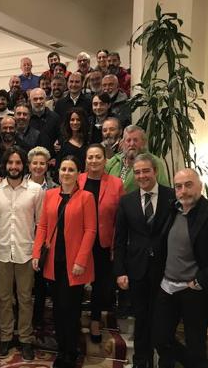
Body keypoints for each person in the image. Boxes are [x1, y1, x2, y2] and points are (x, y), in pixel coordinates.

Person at [153, 168, 208, 368]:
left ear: (200, 186)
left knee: (196, 345)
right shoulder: (171, 212)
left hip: (194, 292)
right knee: (159, 338)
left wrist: (200, 280)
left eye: (188, 185)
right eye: (178, 186)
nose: (183, 191)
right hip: (167, 288)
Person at [32, 156, 96, 368]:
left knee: (71, 309)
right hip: (53, 262)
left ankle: (71, 351)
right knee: (58, 308)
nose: (66, 173)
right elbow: (42, 226)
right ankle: (62, 350)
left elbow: (90, 231)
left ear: (78, 173)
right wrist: (35, 254)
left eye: (71, 169)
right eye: (63, 169)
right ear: (58, 172)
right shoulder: (50, 195)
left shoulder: (86, 197)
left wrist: (81, 260)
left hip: (74, 265)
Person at [113, 154, 176, 368]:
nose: (142, 176)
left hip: (166, 269)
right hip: (137, 269)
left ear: (155, 171)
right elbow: (119, 240)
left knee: (163, 318)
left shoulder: (172, 197)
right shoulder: (127, 201)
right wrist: (120, 271)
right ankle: (141, 360)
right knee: (141, 318)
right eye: (137, 172)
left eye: (145, 171)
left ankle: (165, 361)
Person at [0, 147, 45, 361]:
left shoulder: (36, 190)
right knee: (4, 298)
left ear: (24, 165)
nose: (14, 166)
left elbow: (41, 224)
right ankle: (5, 338)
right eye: (10, 162)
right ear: (5, 165)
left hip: (26, 253)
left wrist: (38, 253)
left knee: (26, 299)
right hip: (1, 252)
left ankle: (26, 340)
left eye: (18, 163)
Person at [78, 144, 124, 344]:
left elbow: (120, 219)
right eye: (90, 157)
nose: (94, 161)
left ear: (105, 160)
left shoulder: (116, 184)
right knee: (77, 281)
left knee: (99, 284)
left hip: (103, 242)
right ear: (85, 160)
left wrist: (116, 245)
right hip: (78, 242)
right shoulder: (77, 179)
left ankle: (95, 320)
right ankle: (75, 318)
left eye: (98, 157)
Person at [26, 146, 58, 327]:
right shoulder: (19, 184)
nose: (38, 167)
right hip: (24, 238)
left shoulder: (55, 187)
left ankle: (39, 317)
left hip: (45, 241)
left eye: (42, 163)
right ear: (29, 166)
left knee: (41, 281)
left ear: (47, 166)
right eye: (35, 163)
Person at [105, 125, 169, 192]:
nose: (132, 144)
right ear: (123, 143)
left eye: (135, 140)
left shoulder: (154, 162)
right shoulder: (114, 161)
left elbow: (164, 190)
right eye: (128, 140)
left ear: (143, 142)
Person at [56, 108, 89, 173]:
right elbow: (58, 166)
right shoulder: (62, 141)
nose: (75, 122)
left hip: (84, 179)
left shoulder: (88, 141)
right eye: (72, 120)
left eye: (78, 120)